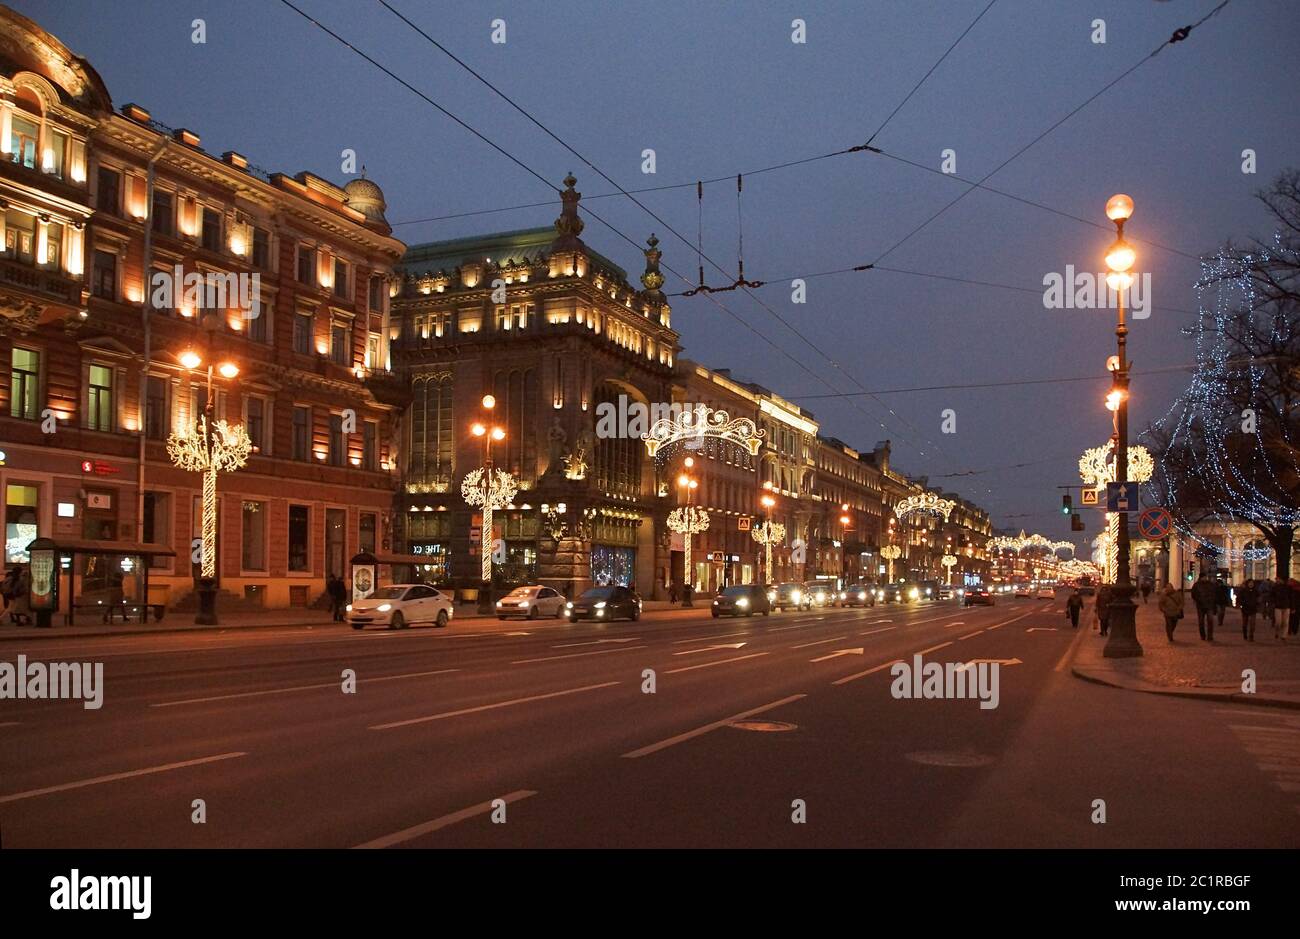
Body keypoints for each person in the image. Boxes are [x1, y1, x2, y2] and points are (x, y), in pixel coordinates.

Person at [1190, 572, 1217, 641]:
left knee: (1210, 621)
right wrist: (1198, 600)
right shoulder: (1197, 585)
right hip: (1200, 606)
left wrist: (1213, 602)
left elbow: (1214, 594)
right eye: (1204, 577)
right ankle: (1203, 635)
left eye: (1206, 577)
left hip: (1209, 606)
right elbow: (1193, 594)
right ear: (1201, 577)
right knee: (1201, 622)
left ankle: (1210, 636)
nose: (1205, 578)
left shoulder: (1211, 584)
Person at [1274, 576, 1290, 641]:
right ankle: (1277, 632)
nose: (1277, 580)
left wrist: (1292, 606)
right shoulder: (1275, 587)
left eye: (1278, 579)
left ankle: (1284, 635)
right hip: (1278, 606)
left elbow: (1291, 597)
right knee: (1278, 622)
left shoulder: (1288, 587)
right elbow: (1271, 596)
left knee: (1285, 622)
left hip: (1286, 606)